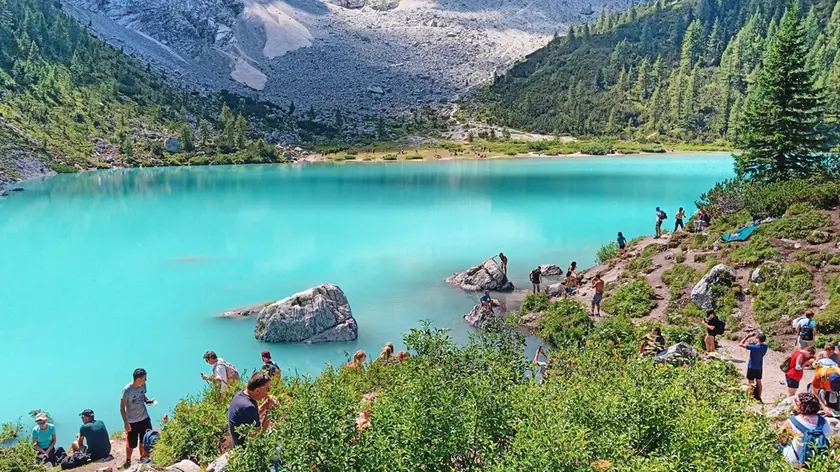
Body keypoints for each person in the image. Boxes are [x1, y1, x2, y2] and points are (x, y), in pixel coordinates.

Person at [228, 372, 278, 447]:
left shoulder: (241, 395)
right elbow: (258, 435)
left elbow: (252, 415)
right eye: (267, 388)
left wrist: (266, 405)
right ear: (257, 390)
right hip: (245, 449)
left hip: (237, 444)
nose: (268, 391)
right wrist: (270, 411)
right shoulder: (248, 407)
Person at [781, 393, 830, 465]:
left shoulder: (791, 422)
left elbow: (782, 440)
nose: (794, 402)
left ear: (801, 405)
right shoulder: (824, 422)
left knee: (782, 447)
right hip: (819, 460)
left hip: (798, 461)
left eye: (796, 400)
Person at [121, 368, 154, 468]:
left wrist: (147, 401)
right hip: (132, 421)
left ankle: (143, 458)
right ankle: (128, 460)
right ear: (139, 379)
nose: (146, 380)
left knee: (145, 440)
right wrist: (126, 423)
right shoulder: (127, 390)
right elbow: (122, 408)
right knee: (131, 443)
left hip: (144, 418)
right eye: (144, 378)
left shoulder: (143, 385)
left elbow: (143, 395)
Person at [739, 333, 768, 402]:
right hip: (759, 367)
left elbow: (740, 344)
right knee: (759, 382)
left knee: (751, 383)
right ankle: (759, 397)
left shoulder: (754, 347)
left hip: (751, 366)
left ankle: (750, 397)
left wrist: (747, 337)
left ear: (758, 339)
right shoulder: (765, 347)